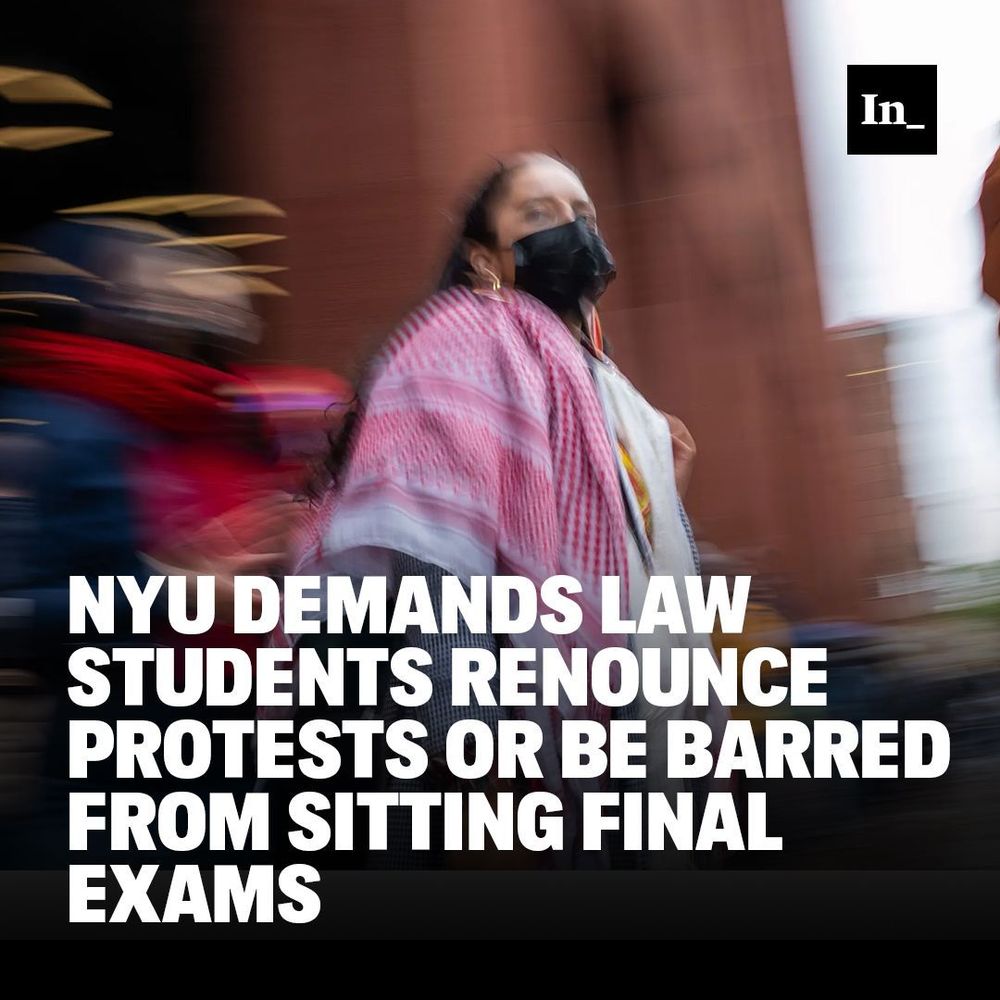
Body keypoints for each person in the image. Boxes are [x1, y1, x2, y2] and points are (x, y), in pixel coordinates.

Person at [294, 152, 725, 869]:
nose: (573, 229)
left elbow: (613, 567)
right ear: (483, 258)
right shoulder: (460, 345)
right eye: (539, 213)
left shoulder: (605, 388)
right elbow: (433, 567)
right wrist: (477, 758)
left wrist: (660, 494)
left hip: (601, 749)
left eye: (583, 214)